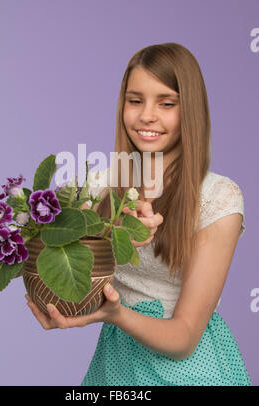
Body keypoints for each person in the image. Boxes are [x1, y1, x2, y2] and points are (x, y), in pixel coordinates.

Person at [25, 43, 252, 386]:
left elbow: (185, 338)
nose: (147, 115)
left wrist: (116, 315)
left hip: (191, 372)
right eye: (135, 100)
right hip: (116, 364)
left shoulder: (219, 197)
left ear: (189, 110)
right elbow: (63, 267)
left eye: (166, 103)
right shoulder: (98, 186)